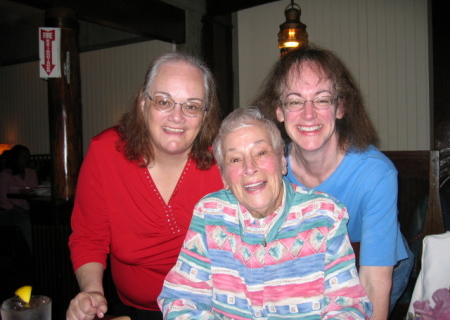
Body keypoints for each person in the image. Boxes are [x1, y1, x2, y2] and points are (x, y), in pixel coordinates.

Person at [158, 107, 372, 319]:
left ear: (282, 160)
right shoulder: (210, 214)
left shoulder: (326, 216)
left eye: (261, 153)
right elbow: (180, 299)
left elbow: (348, 307)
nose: (249, 168)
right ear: (224, 177)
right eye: (235, 159)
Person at [251, 44, 413, 320]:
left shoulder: (375, 174)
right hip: (314, 268)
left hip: (375, 266)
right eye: (295, 101)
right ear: (279, 111)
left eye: (322, 99)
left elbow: (373, 282)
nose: (309, 113)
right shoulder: (271, 171)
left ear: (341, 107)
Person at [66, 52, 224, 320]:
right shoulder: (105, 153)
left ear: (205, 115)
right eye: (164, 101)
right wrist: (93, 293)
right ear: (142, 104)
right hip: (132, 310)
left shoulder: (224, 161)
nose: (177, 117)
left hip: (209, 307)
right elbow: (89, 236)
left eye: (192, 106)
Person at [0, 144, 38, 251]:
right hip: (10, 211)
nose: (26, 159)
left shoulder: (31, 173)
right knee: (26, 221)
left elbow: (34, 192)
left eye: (28, 156)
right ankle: (35, 253)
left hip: (28, 209)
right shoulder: (6, 175)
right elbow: (3, 201)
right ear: (15, 157)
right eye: (23, 156)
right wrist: (22, 210)